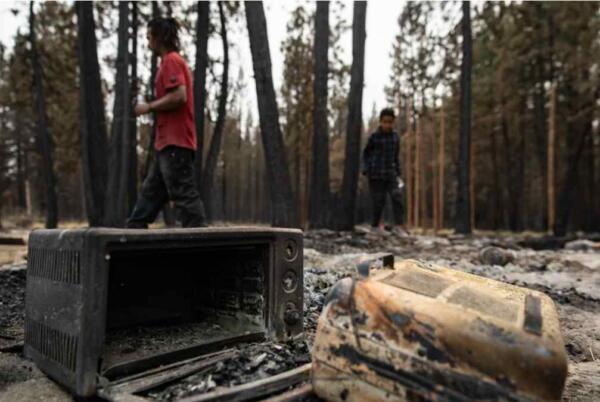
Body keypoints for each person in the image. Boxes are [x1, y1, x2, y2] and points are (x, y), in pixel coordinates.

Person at [127, 17, 206, 228]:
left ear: (159, 37)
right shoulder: (168, 63)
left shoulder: (171, 61)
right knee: (148, 199)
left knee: (185, 198)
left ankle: (205, 250)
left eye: (149, 36)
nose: (147, 41)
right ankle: (130, 241)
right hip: (167, 145)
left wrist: (149, 107)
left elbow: (180, 96)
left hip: (175, 143)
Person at [362, 108, 407, 233]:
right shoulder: (374, 137)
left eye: (390, 122)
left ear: (393, 122)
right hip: (375, 174)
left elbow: (395, 156)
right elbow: (366, 153)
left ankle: (399, 225)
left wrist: (398, 173)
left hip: (390, 173)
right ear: (380, 122)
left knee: (397, 196)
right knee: (378, 200)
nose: (387, 125)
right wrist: (366, 168)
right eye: (385, 122)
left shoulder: (395, 137)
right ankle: (375, 226)